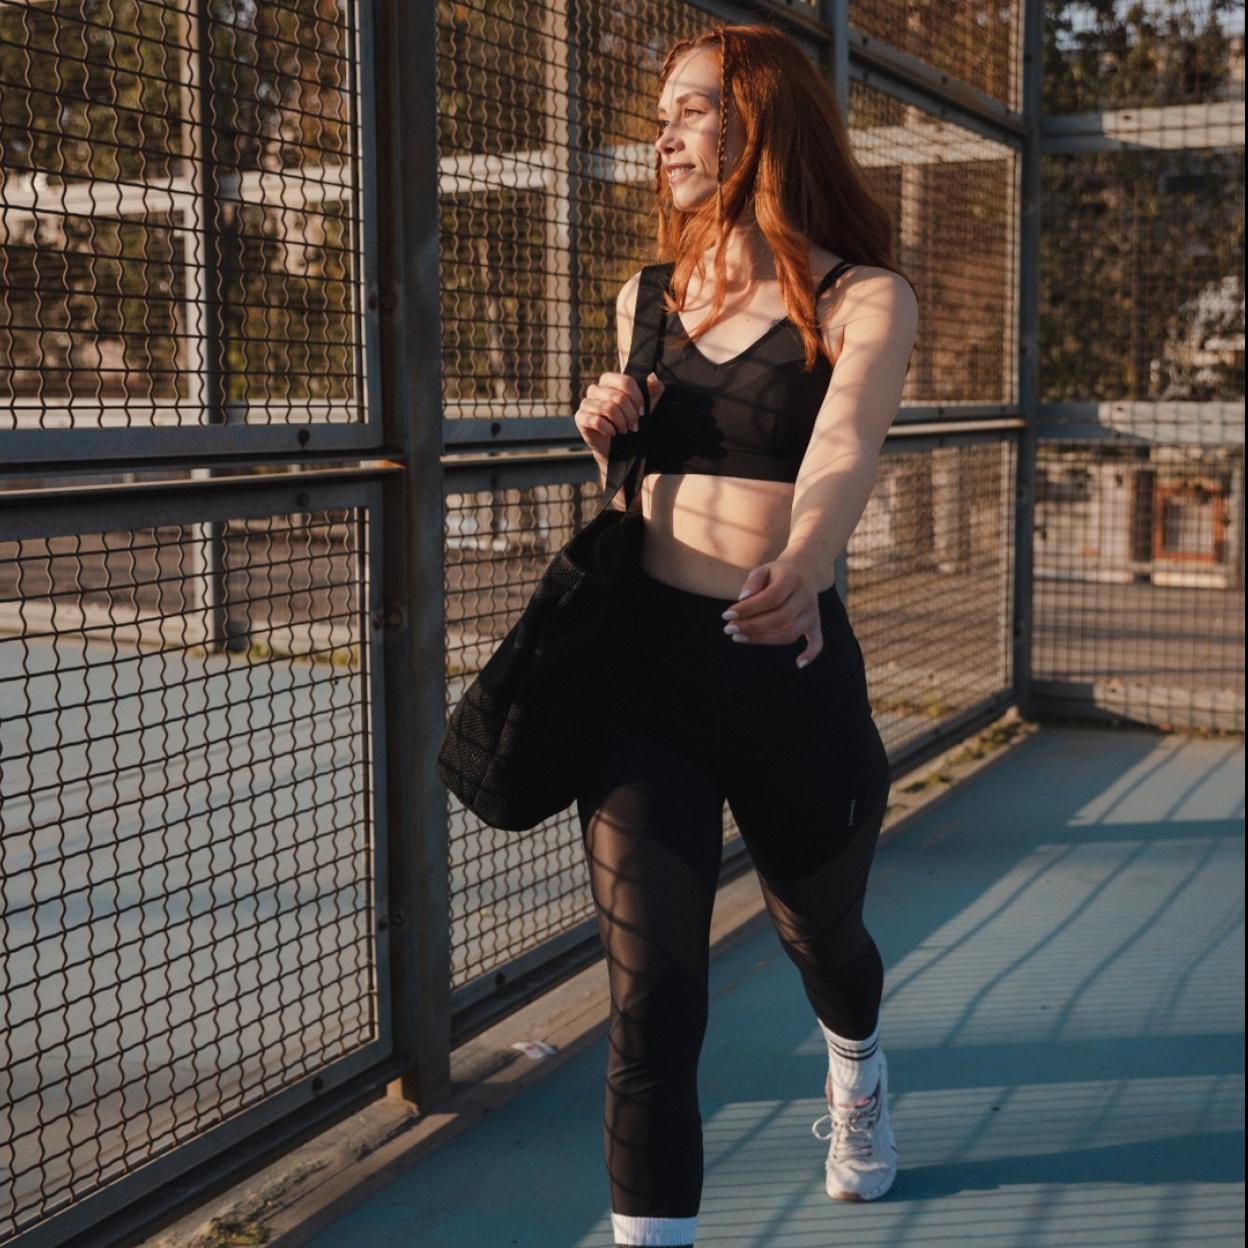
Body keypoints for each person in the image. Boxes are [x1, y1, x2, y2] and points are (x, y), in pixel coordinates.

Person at [571, 20, 919, 1248]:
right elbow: (642, 484)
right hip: (643, 677)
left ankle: (858, 1065)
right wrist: (611, 426)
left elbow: (843, 452)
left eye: (693, 108)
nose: (664, 134)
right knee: (650, 1000)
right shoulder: (645, 297)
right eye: (661, 112)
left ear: (761, 120)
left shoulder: (861, 296)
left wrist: (807, 562)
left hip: (787, 667)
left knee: (821, 935)